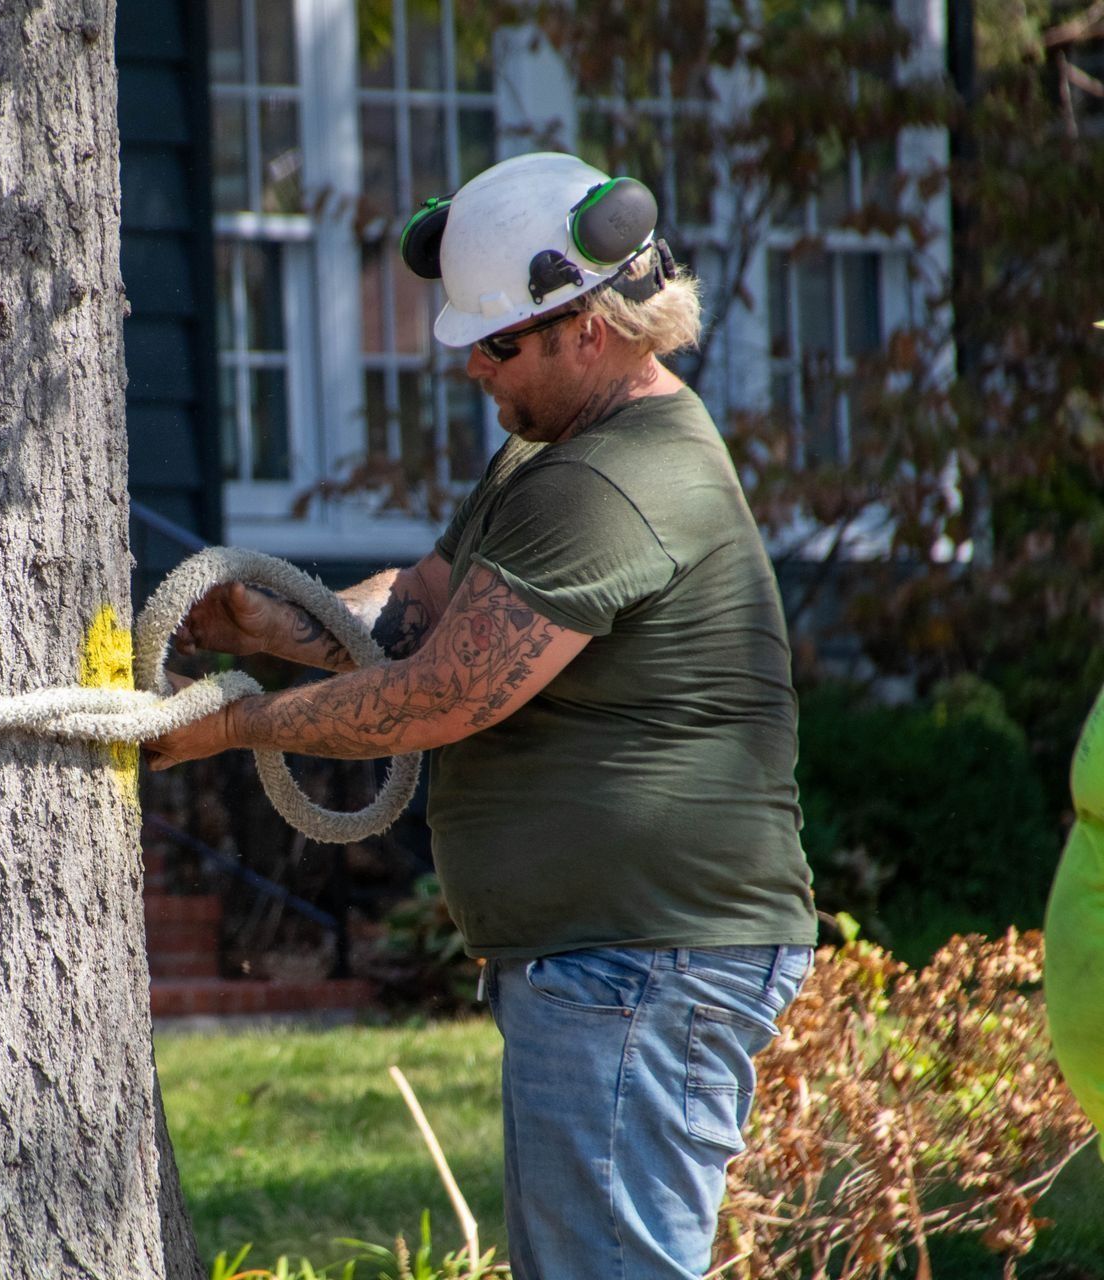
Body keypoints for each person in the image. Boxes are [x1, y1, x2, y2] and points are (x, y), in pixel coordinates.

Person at [145, 151, 818, 1279]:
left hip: (642, 962)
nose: (473, 369)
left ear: (587, 325)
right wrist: (266, 621)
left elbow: (440, 694)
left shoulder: (610, 480)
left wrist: (233, 725)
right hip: (616, 958)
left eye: (496, 343)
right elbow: (417, 618)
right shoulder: (547, 456)